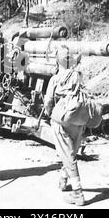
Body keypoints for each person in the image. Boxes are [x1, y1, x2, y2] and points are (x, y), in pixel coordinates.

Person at [44, 45, 86, 206]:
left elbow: (48, 101)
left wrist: (50, 114)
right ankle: (63, 179)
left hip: (61, 119)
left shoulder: (55, 79)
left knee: (68, 155)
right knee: (70, 152)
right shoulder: (77, 75)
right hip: (78, 119)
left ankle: (78, 193)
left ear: (57, 60)